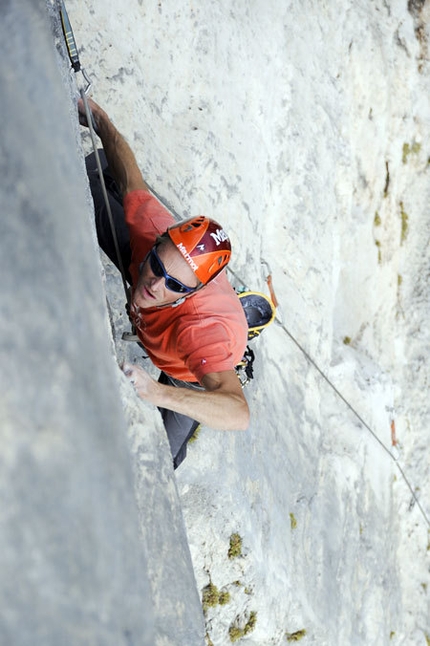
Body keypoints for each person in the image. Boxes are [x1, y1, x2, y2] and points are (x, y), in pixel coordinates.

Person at [78, 98, 250, 468]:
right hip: (152, 270)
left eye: (174, 284)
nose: (155, 284)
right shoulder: (151, 231)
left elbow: (238, 412)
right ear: (159, 242)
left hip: (183, 374)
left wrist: (156, 392)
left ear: (189, 294)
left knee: (158, 462)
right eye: (157, 264)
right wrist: (101, 122)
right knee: (93, 177)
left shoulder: (196, 333)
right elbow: (129, 176)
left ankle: (239, 330)